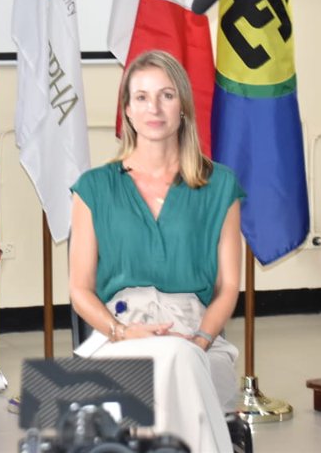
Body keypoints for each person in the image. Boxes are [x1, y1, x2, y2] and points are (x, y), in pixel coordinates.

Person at [68, 49, 245, 453]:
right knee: (164, 365)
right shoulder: (94, 187)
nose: (154, 108)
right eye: (142, 97)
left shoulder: (220, 185)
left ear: (183, 106)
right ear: (127, 111)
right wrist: (121, 332)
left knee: (178, 361)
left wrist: (198, 341)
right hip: (121, 332)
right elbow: (80, 289)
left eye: (166, 95)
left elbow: (229, 285)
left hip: (197, 330)